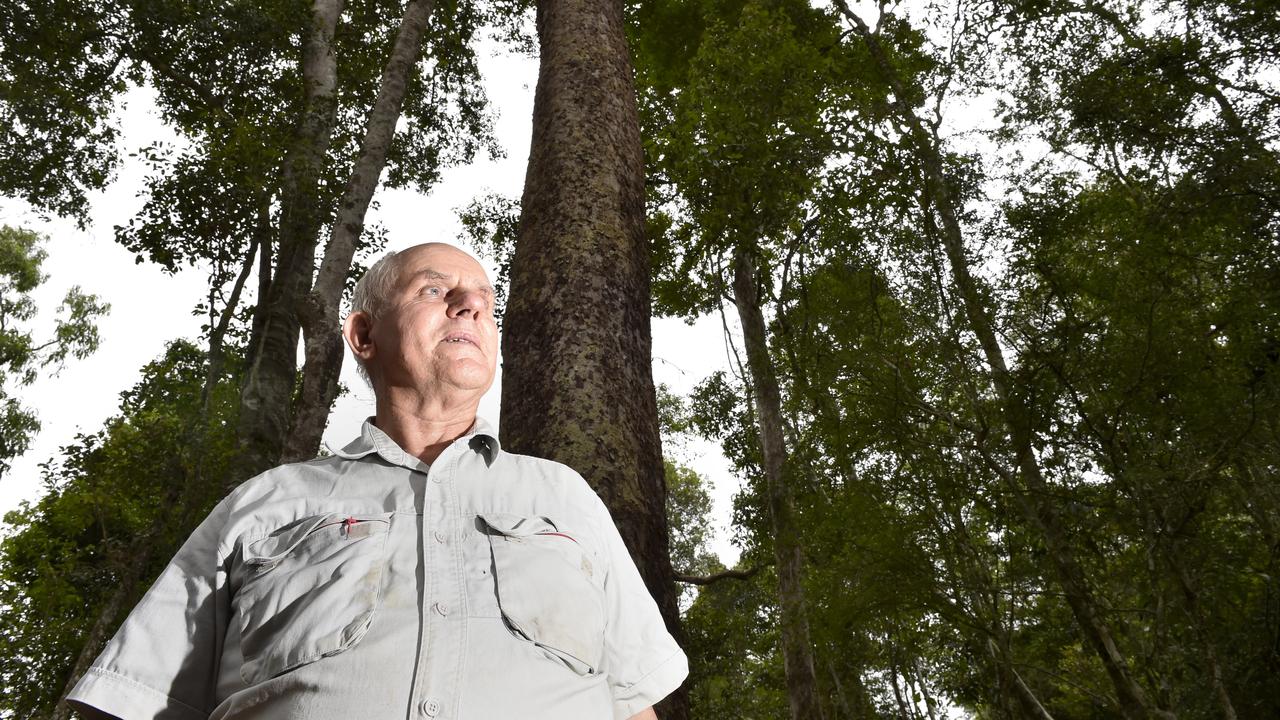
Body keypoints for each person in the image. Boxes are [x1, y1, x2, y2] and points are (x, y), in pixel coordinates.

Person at [67, 243, 688, 720]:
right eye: (435, 290)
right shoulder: (268, 502)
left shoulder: (564, 496)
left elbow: (633, 700)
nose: (470, 305)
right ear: (363, 335)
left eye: (484, 301)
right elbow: (133, 699)